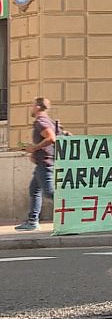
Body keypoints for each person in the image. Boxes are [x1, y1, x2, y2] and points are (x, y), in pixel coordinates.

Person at [15, 97, 65, 231]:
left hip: (46, 163)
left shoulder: (41, 121)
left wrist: (34, 149)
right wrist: (34, 152)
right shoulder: (48, 120)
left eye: (32, 105)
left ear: (37, 107)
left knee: (49, 193)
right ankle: (33, 221)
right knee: (34, 190)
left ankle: (74, 211)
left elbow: (51, 138)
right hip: (43, 162)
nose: (31, 108)